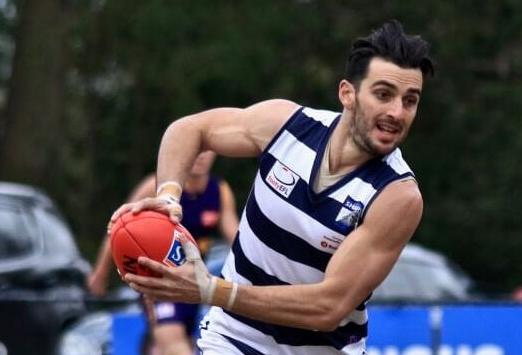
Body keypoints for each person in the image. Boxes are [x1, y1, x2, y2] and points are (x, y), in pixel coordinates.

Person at [113, 20, 433, 354]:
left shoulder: (397, 195)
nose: (397, 112)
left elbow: (328, 306)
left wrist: (212, 291)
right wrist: (167, 194)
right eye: (383, 94)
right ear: (347, 93)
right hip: (231, 338)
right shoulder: (288, 125)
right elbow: (189, 129)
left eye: (410, 101)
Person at [89, 151, 239, 355]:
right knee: (173, 342)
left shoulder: (219, 191)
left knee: (174, 343)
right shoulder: (156, 186)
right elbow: (119, 228)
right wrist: (101, 273)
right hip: (158, 279)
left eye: (206, 150)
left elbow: (235, 236)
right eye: (195, 150)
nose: (200, 156)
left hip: (194, 281)